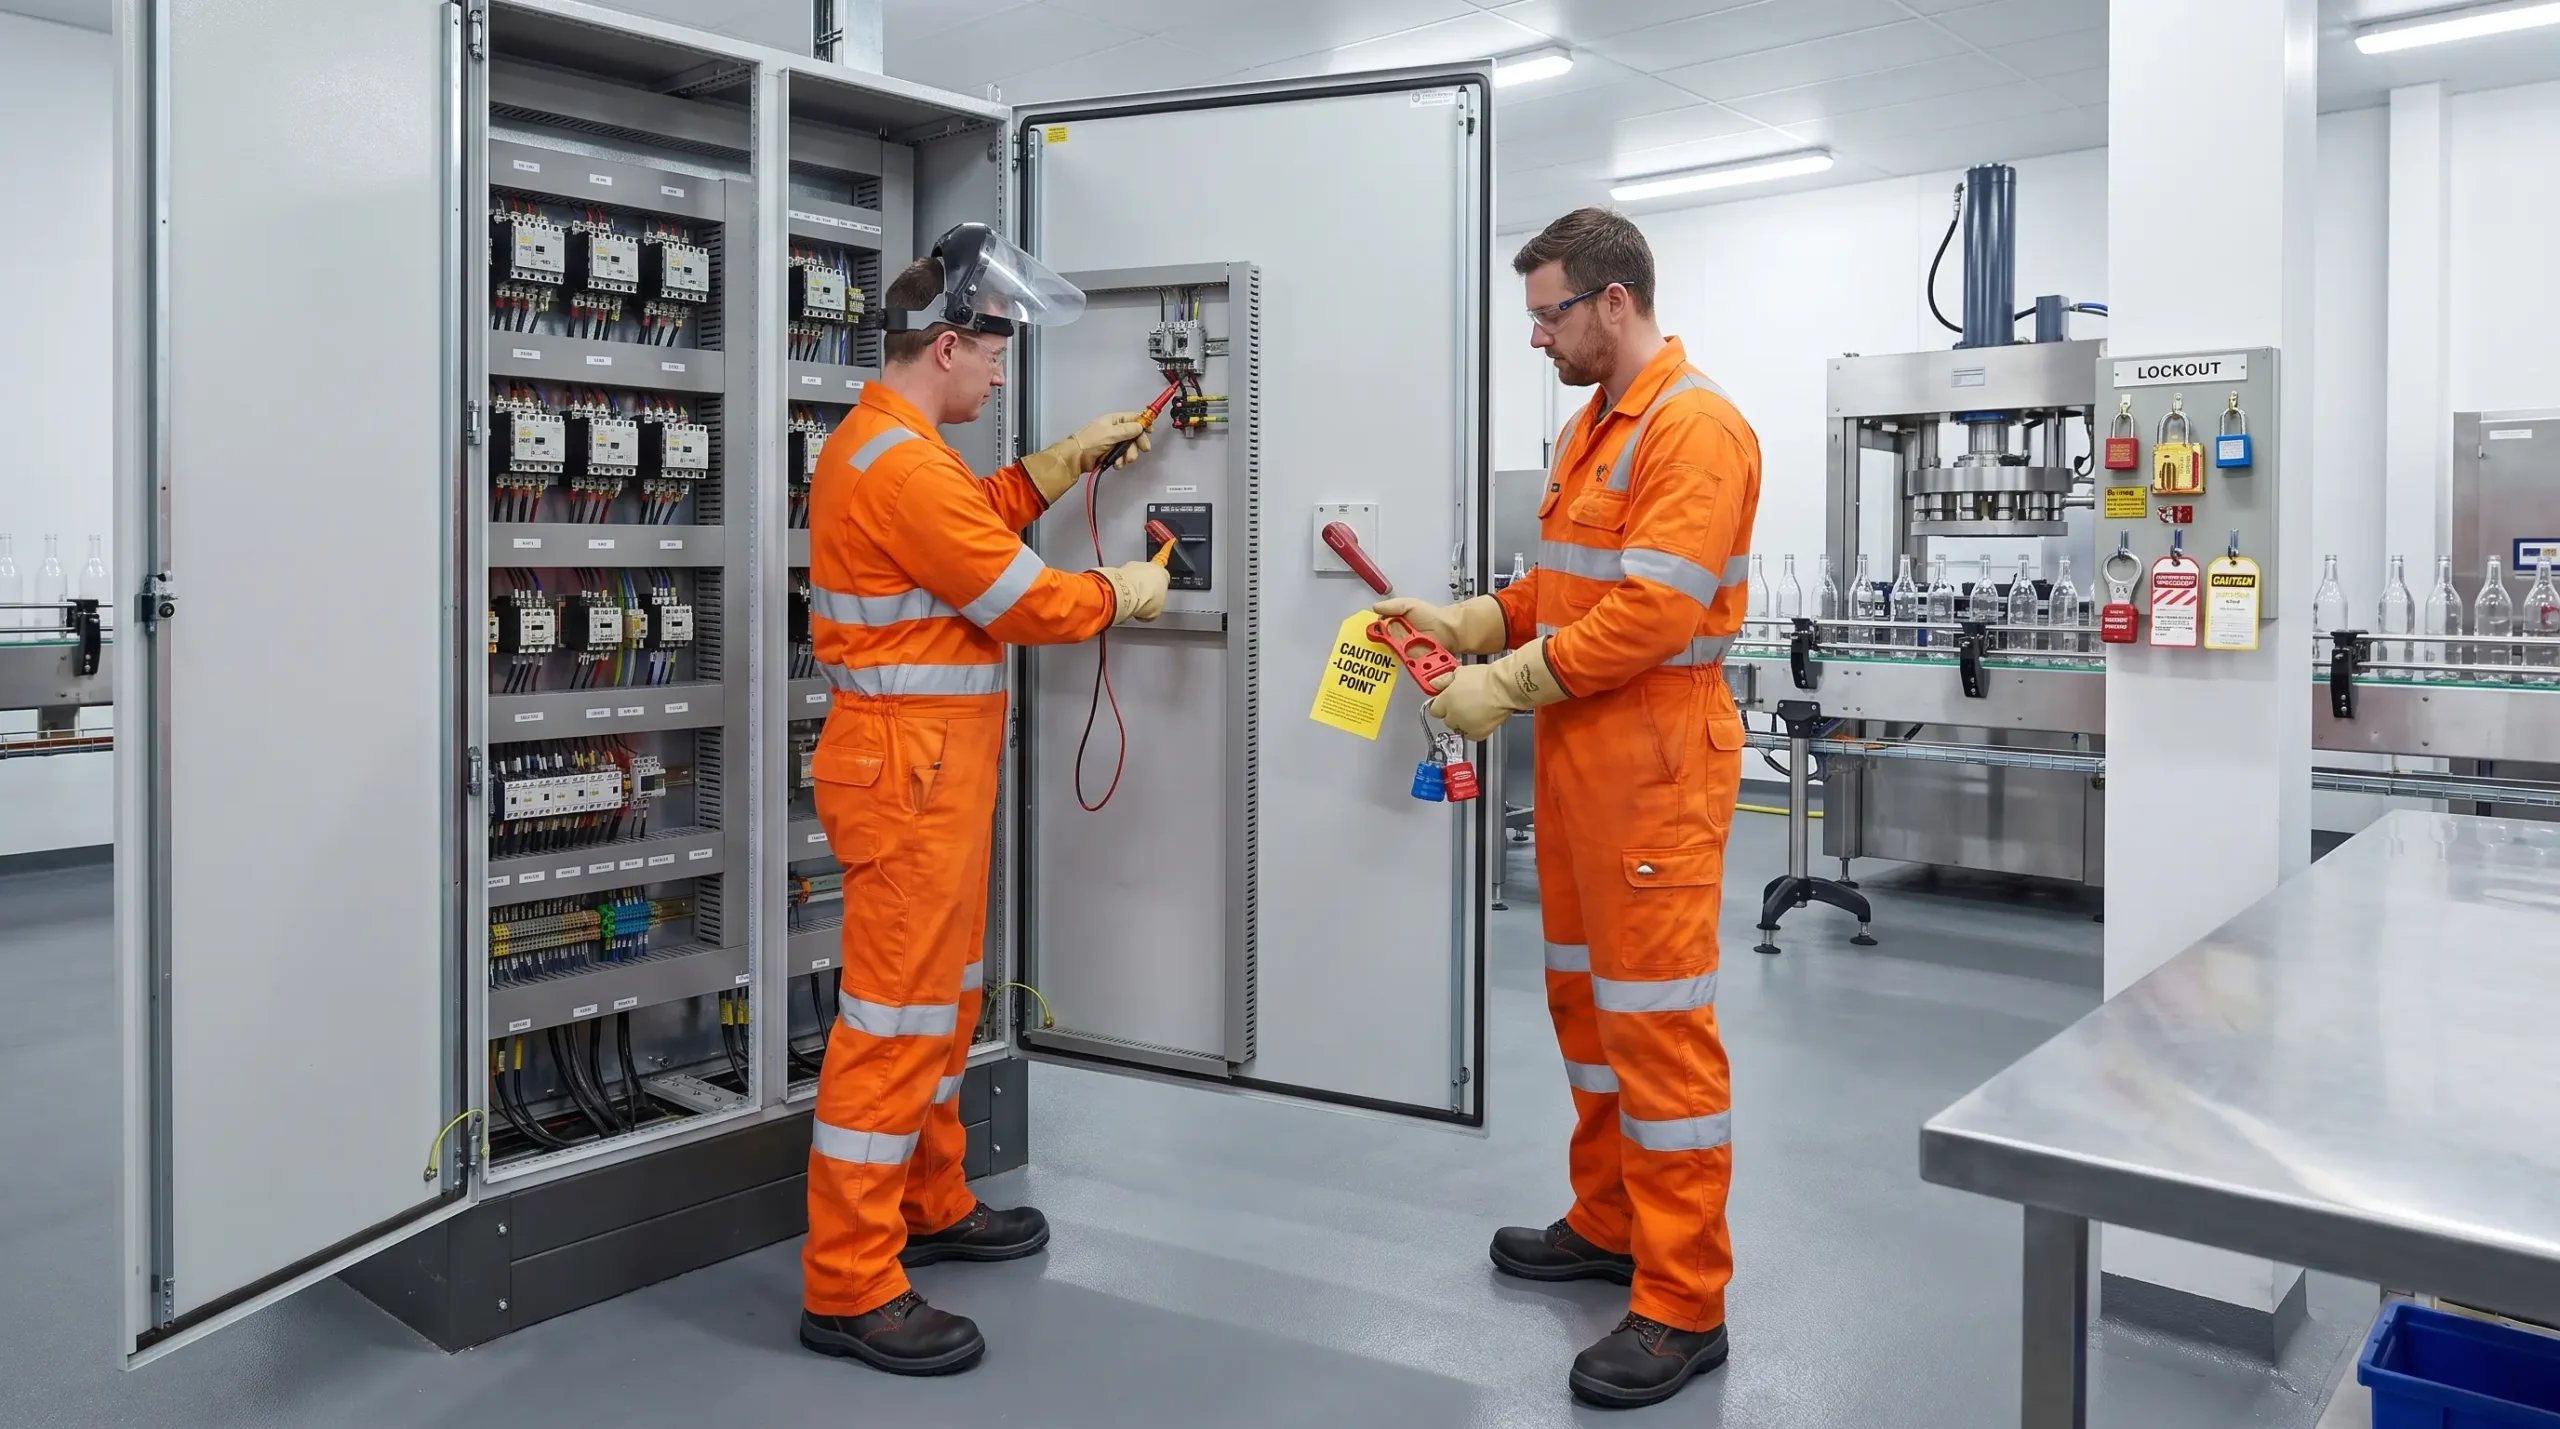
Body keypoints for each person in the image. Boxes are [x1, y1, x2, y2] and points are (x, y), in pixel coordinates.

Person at [1374, 207, 1760, 1410]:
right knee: (1586, 1007)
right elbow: (1560, 583)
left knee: (1656, 1026)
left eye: (1547, 313)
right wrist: (1474, 621)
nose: (1534, 336)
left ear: (1612, 302)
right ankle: (1608, 1220)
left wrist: (1508, 681)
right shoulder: (1594, 426)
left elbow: (1648, 613)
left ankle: (1683, 1300)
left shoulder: (1694, 430)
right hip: (1588, 755)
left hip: (1653, 763)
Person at [797, 224, 1170, 1376]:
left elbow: (972, 524)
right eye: (996, 356)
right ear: (948, 345)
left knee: (943, 1003)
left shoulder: (898, 448)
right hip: (907, 772)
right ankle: (849, 1283)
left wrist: (1065, 461)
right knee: (894, 1016)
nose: (1003, 375)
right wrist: (1128, 587)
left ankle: (930, 1200)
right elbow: (1026, 603)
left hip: (930, 772)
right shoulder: (899, 464)